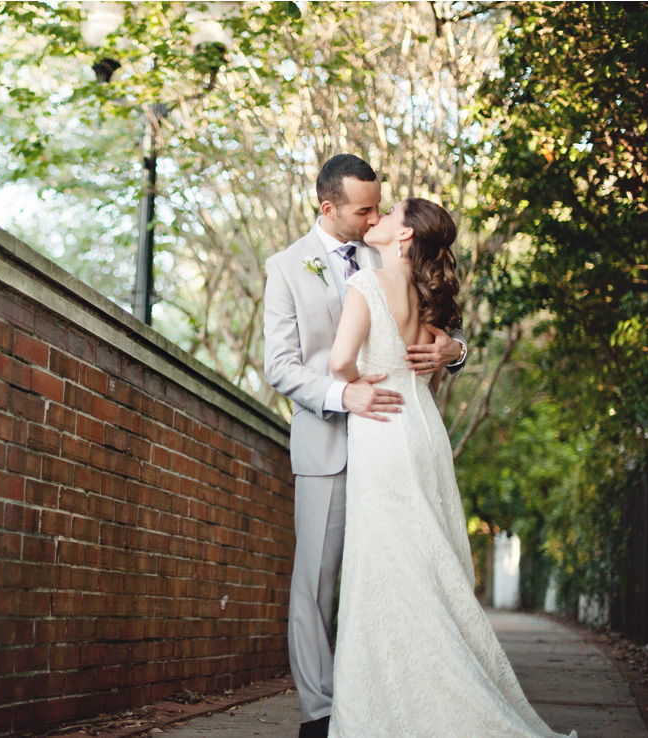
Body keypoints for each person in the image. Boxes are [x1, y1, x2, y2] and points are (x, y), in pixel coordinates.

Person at [326, 198, 575, 738]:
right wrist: (442, 355)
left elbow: (338, 363)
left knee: (387, 570)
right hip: (424, 434)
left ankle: (394, 707)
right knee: (425, 563)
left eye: (387, 214)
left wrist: (358, 384)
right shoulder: (429, 297)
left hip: (382, 431)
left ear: (406, 234)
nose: (377, 220)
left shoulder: (367, 286)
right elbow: (443, 360)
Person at [262, 154, 468, 738]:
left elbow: (438, 321)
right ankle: (321, 713)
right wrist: (339, 395)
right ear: (329, 208)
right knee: (316, 584)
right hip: (328, 445)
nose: (375, 214)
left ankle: (394, 695)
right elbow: (279, 365)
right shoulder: (285, 267)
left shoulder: (391, 257)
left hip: (395, 444)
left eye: (381, 205)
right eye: (364, 209)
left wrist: (456, 351)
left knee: (401, 575)